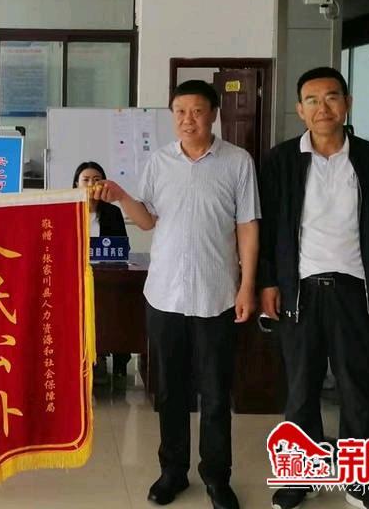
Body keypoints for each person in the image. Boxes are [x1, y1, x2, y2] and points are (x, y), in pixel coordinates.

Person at [93, 80, 259, 509]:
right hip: (165, 295)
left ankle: (216, 476)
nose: (188, 120)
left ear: (214, 114)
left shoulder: (237, 162)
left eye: (197, 111)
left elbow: (247, 226)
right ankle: (173, 472)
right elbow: (147, 221)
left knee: (216, 394)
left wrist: (247, 285)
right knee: (170, 392)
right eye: (180, 112)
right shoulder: (159, 162)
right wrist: (121, 197)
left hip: (217, 296)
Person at [259, 67, 369, 509]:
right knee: (300, 390)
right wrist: (268, 281)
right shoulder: (281, 160)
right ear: (300, 110)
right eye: (312, 100)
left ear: (347, 104)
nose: (322, 108)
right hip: (299, 290)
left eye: (331, 97)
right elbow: (267, 227)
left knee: (357, 390)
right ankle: (301, 477)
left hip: (355, 290)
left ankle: (362, 482)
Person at [73, 161, 130, 392]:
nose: (91, 184)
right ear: (76, 184)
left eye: (97, 180)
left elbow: (122, 248)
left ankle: (102, 356)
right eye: (86, 180)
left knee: (111, 307)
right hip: (75, 279)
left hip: (106, 277)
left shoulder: (113, 213)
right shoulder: (68, 211)